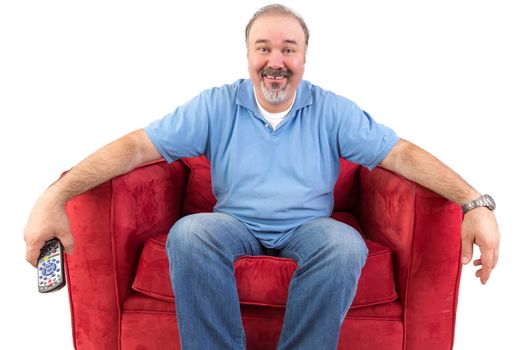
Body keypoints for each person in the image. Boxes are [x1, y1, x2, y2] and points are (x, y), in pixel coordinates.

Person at [24, 4, 500, 349]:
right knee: (190, 232)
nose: (276, 60)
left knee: (344, 244)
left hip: (307, 229)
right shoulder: (215, 104)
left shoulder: (332, 110)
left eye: (288, 49)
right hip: (235, 224)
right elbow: (135, 147)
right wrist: (54, 195)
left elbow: (401, 155)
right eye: (264, 48)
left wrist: (473, 203)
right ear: (248, 55)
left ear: (304, 58)